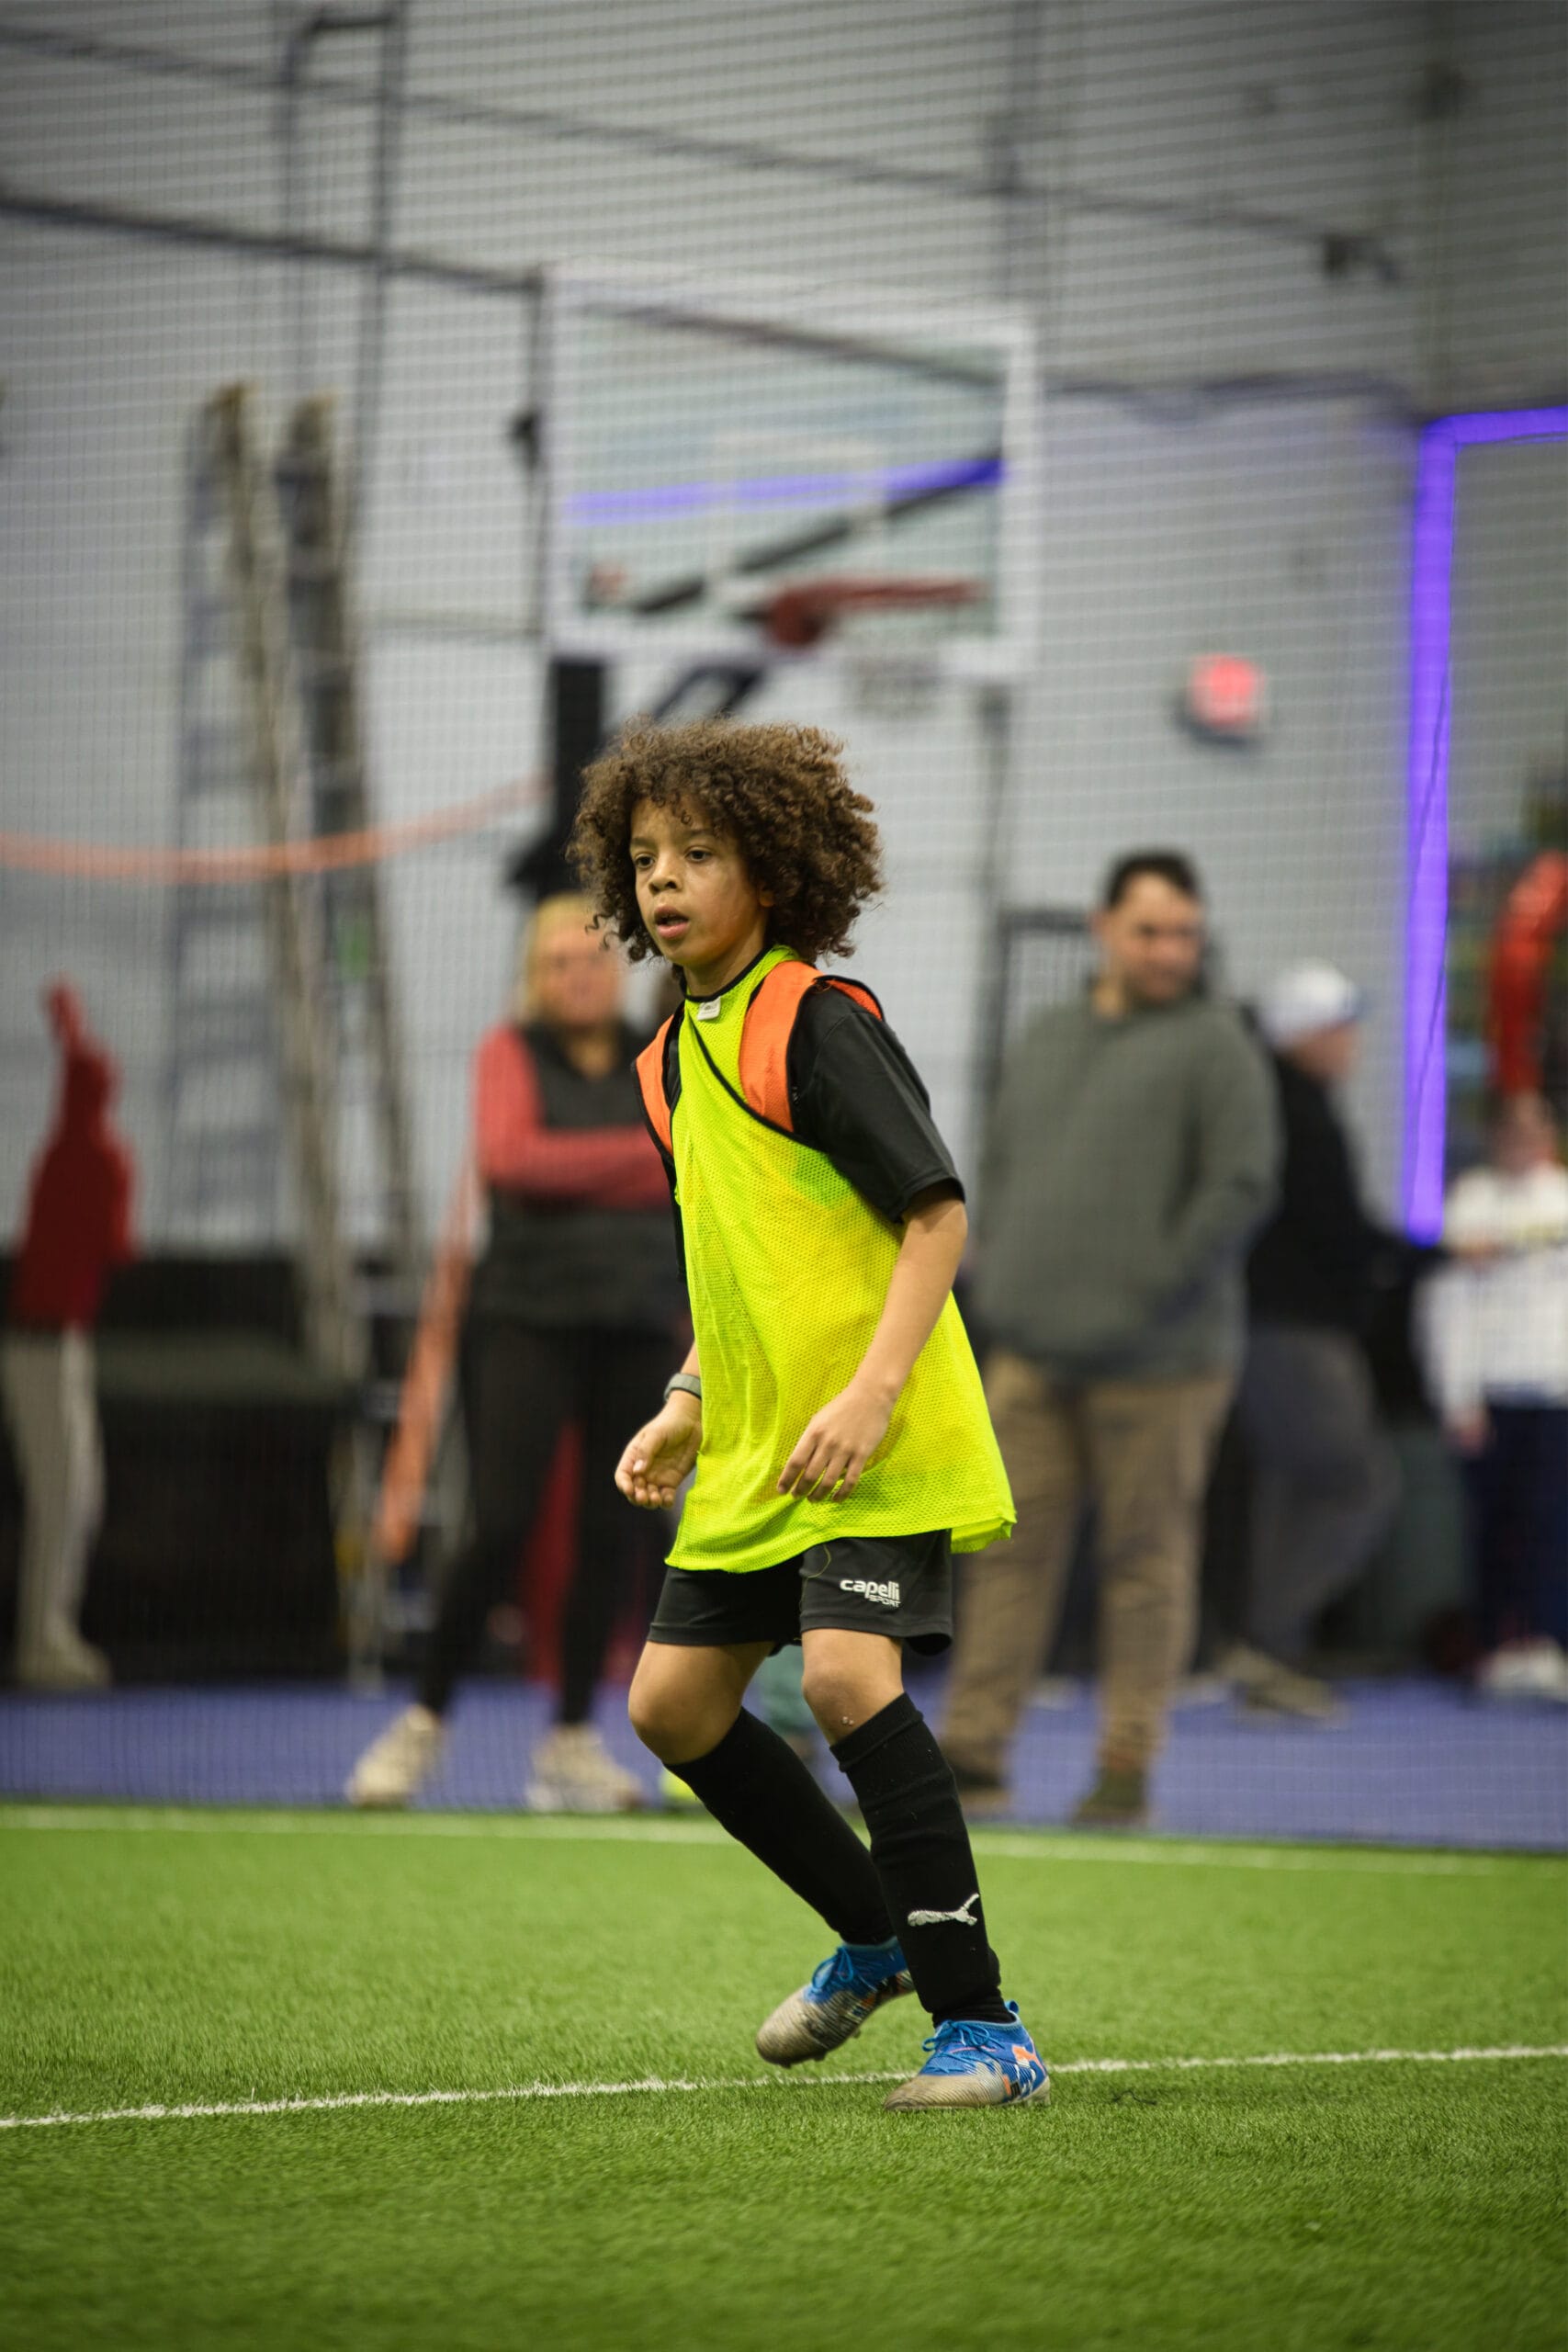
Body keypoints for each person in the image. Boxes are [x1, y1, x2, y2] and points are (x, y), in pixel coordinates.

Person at [573, 716, 1047, 2113]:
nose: (664, 880)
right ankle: (876, 1935)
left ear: (772, 874)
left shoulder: (820, 1022)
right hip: (758, 1445)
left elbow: (935, 1218)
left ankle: (985, 2030)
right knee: (669, 1708)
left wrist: (870, 1394)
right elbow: (746, 1268)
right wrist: (686, 1399)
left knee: (845, 1680)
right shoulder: (665, 1066)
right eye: (644, 857)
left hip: (872, 1435)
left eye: (698, 854)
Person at [940, 851, 1278, 1828]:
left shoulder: (1218, 1046)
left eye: (1185, 934)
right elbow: (1000, 1168)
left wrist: (1149, 1293)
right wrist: (1003, 1283)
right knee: (1004, 1554)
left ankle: (1125, 1766)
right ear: (1103, 930)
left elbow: (1241, 1188)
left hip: (1165, 1366)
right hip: (1029, 1357)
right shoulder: (1046, 1037)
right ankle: (973, 1754)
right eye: (1149, 931)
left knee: (1145, 1562)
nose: (1170, 951)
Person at [348, 894, 684, 1811]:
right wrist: (638, 1158)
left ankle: (571, 1742)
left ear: (615, 970)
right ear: (534, 977)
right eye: (557, 963)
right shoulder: (507, 1052)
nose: (578, 976)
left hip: (637, 1327)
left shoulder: (657, 1054)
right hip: (524, 1325)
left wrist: (587, 1162)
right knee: (500, 1522)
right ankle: (421, 1725)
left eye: (592, 960)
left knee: (614, 1531)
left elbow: (686, 1161)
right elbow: (512, 1160)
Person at [1222, 962, 1402, 1718]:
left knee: (1292, 1488)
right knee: (1356, 1483)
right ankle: (1265, 1645)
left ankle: (1270, 1659)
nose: (1350, 1042)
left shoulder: (1284, 1103)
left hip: (1273, 1329)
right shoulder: (1296, 1116)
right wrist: (1422, 1256)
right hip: (1293, 1335)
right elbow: (1335, 1230)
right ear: (1306, 1034)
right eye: (1340, 1027)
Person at [3, 983, 135, 1690]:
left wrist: (68, 1023)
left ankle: (53, 1631)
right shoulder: (92, 1158)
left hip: (60, 1344)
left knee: (79, 1493)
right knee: (62, 1496)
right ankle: (41, 1640)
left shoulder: (67, 1149)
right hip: (40, 1347)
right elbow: (118, 1246)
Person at [1421, 1091, 1568, 1701]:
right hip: (1491, 1398)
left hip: (1554, 1396)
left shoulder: (1562, 1198)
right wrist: (1458, 1398)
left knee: (1552, 1526)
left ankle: (1548, 1645)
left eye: (1534, 1130)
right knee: (1493, 1528)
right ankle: (1494, 1648)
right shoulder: (1470, 1203)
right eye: (1511, 1130)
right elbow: (1446, 1310)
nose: (1522, 1142)